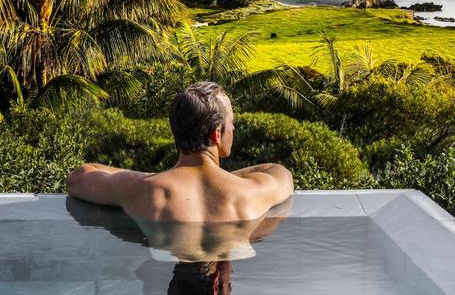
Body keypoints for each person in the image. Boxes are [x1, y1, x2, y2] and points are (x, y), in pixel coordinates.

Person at [66, 81, 294, 222]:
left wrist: (149, 179)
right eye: (231, 122)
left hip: (169, 269)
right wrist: (223, 181)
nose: (233, 128)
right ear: (216, 134)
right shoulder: (249, 192)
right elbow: (280, 172)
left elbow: (78, 178)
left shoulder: (144, 190)